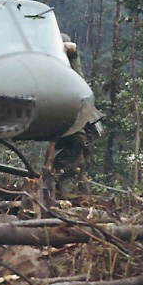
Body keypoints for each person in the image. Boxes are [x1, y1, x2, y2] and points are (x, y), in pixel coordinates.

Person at [52, 35, 101, 193]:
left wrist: (72, 55)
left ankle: (63, 194)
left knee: (67, 166)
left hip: (81, 127)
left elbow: (78, 76)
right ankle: (77, 195)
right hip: (80, 128)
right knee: (78, 168)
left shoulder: (69, 68)